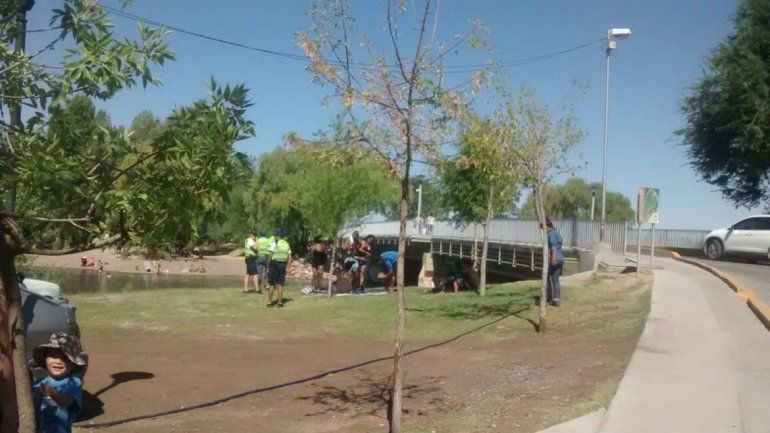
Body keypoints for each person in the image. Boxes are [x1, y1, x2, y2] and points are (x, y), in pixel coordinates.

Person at [32, 332, 88, 433]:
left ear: (72, 363)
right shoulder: (39, 383)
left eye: (64, 357)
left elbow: (68, 402)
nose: (58, 361)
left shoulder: (73, 383)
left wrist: (50, 391)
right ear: (45, 359)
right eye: (53, 356)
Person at [266, 229, 292, 308]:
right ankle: (280, 303)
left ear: (277, 236)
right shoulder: (286, 244)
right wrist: (287, 266)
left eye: (275, 236)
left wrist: (267, 265)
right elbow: (290, 257)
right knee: (280, 284)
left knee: (271, 284)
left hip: (274, 264)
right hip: (282, 265)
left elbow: (270, 255)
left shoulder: (275, 243)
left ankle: (270, 303)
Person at [545, 218, 565, 306]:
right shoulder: (557, 233)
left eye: (542, 227)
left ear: (547, 226)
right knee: (555, 280)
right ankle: (556, 299)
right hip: (561, 258)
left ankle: (547, 297)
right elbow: (558, 245)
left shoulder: (550, 234)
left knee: (546, 277)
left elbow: (553, 247)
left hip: (554, 259)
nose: (542, 230)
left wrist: (553, 259)